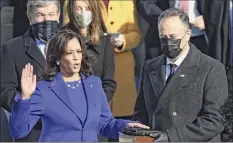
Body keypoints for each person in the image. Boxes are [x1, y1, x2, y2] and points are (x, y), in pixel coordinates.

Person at [8, 30, 149, 142]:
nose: (76, 57)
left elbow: (104, 124)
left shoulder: (94, 84)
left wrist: (125, 126)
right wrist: (24, 98)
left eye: (79, 51)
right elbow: (18, 131)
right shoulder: (44, 89)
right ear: (57, 59)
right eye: (70, 53)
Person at [132, 8, 228, 142]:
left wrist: (171, 137)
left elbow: (215, 120)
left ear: (188, 34)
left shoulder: (211, 68)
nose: (168, 42)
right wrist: (136, 127)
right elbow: (141, 111)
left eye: (173, 37)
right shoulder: (149, 67)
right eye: (163, 37)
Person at [63, 0, 141, 117]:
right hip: (89, 65)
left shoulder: (126, 2)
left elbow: (136, 34)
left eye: (87, 9)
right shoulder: (73, 3)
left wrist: (123, 40)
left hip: (120, 71)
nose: (83, 11)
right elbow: (67, 31)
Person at [0, 0, 60, 141]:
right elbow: (5, 92)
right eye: (40, 15)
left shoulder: (71, 45)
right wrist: (35, 110)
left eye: (51, 14)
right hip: (32, 132)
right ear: (30, 17)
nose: (46, 20)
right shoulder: (12, 49)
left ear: (58, 16)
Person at [61, 0, 115, 102]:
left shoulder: (103, 40)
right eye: (78, 9)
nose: (83, 13)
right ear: (71, 11)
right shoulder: (61, 38)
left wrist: (97, 105)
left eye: (87, 8)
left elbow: (108, 82)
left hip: (96, 107)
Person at [135, 0, 210, 60]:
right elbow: (145, 3)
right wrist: (169, 20)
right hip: (164, 40)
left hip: (201, 38)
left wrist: (208, 19)